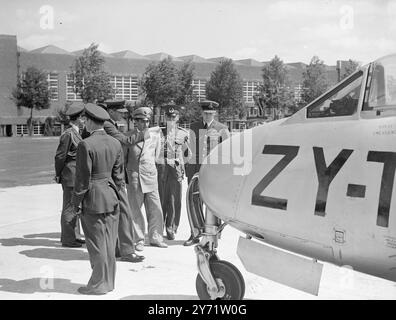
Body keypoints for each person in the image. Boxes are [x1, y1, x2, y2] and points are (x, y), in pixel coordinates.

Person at [72, 103, 123, 295]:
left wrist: (75, 204)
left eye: (86, 120)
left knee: (96, 244)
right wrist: (115, 195)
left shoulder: (86, 144)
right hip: (111, 197)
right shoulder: (115, 142)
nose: (84, 123)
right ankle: (108, 282)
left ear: (91, 122)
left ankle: (97, 285)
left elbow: (82, 180)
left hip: (93, 199)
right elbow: (119, 176)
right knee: (109, 242)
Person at [99, 100, 146, 263]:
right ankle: (126, 251)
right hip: (110, 176)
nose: (122, 114)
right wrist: (142, 133)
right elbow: (124, 141)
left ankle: (119, 248)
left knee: (118, 213)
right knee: (124, 212)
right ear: (111, 111)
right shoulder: (108, 125)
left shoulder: (110, 124)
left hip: (113, 174)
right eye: (120, 112)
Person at [183, 100, 230, 246]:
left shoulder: (222, 128)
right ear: (201, 113)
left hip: (214, 172)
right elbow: (189, 150)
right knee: (194, 203)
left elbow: (227, 151)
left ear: (214, 113)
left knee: (213, 202)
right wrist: (188, 170)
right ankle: (195, 233)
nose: (208, 115)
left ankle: (214, 233)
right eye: (205, 113)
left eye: (210, 113)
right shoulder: (194, 127)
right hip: (196, 170)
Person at [125, 106, 168, 249]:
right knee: (135, 209)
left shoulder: (155, 136)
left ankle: (155, 237)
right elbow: (123, 159)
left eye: (147, 121)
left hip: (150, 175)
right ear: (135, 122)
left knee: (155, 208)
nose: (146, 124)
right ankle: (139, 239)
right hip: (135, 177)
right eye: (142, 121)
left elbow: (157, 156)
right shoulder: (128, 136)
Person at [157, 104, 191, 240]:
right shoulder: (158, 132)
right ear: (165, 117)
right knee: (160, 198)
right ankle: (158, 227)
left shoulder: (183, 133)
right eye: (168, 116)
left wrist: (181, 164)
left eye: (173, 116)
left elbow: (189, 154)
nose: (171, 119)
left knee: (173, 199)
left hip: (175, 169)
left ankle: (171, 228)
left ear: (178, 117)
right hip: (161, 168)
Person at [54, 102, 85, 248]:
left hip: (76, 175)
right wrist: (58, 174)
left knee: (74, 207)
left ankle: (73, 235)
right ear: (77, 118)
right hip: (70, 176)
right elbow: (60, 157)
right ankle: (67, 239)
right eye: (83, 118)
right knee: (69, 207)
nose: (84, 120)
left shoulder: (77, 132)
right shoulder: (68, 134)